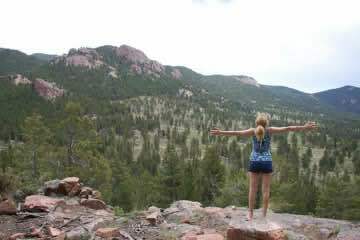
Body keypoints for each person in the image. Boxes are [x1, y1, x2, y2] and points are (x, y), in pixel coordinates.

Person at [210, 112, 317, 221]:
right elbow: (288, 128)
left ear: (257, 122)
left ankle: (250, 215)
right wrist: (304, 127)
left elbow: (236, 133)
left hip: (254, 161)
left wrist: (220, 132)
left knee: (252, 189)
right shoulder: (270, 131)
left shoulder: (253, 131)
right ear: (267, 122)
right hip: (267, 162)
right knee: (266, 190)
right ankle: (264, 215)